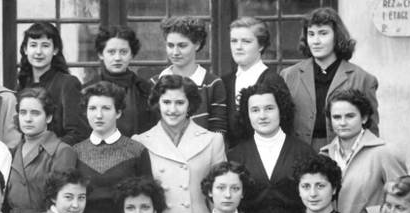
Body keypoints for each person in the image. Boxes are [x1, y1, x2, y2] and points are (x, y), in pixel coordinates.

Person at [134, 74, 225, 213]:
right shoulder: (140, 142)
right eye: (166, 102)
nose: (173, 110)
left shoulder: (212, 140)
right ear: (157, 104)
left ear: (190, 104)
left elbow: (219, 195)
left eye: (180, 103)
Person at [281, 7, 379, 150]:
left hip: (344, 154)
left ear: (337, 37)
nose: (316, 41)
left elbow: (371, 131)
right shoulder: (289, 75)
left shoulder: (363, 79)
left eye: (323, 33)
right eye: (311, 34)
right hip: (298, 153)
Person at [227, 81, 316, 213]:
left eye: (269, 108)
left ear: (281, 110)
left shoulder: (304, 152)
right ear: (246, 114)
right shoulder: (235, 155)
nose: (262, 116)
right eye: (255, 110)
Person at [74, 81, 153, 213]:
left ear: (118, 112)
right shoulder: (75, 152)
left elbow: (148, 199)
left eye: (106, 108)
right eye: (92, 108)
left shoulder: (136, 150)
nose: (98, 115)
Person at [320, 88, 406, 213]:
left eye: (350, 116)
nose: (342, 122)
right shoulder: (324, 156)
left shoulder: (384, 152)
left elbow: (404, 200)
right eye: (336, 117)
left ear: (364, 118)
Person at [6, 88, 78, 213]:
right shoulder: (12, 152)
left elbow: (61, 201)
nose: (28, 119)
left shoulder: (62, 151)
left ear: (48, 117)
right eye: (23, 112)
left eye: (35, 113)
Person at [16, 22, 88, 145]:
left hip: (58, 159)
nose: (38, 52)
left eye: (45, 46)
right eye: (33, 45)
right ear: (25, 50)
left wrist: (47, 152)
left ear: (55, 50)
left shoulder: (68, 84)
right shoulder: (22, 85)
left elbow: (78, 132)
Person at [222, 17, 285, 146]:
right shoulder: (225, 81)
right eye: (234, 41)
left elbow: (285, 125)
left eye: (246, 41)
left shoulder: (273, 81)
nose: (238, 47)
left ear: (261, 45)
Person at [158, 17, 227, 135]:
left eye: (182, 45)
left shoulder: (212, 84)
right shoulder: (155, 83)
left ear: (197, 44)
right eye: (170, 45)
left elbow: (218, 132)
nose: (175, 52)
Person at [87, 26, 156, 137]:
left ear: (132, 54)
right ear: (101, 54)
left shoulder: (145, 89)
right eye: (111, 52)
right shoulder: (87, 90)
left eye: (123, 52)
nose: (117, 58)